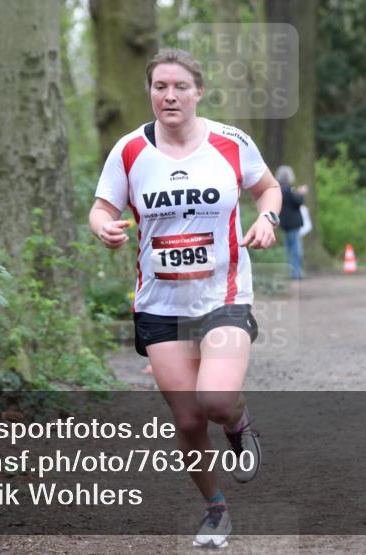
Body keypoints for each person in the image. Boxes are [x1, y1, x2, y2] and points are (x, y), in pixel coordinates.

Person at [89, 48, 281, 549]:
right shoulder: (129, 150)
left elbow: (268, 188)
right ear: (150, 92)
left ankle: (238, 423)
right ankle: (215, 509)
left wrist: (267, 218)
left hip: (224, 294)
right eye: (159, 87)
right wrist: (103, 227)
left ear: (198, 92)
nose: (169, 96)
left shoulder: (230, 142)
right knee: (188, 419)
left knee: (214, 400)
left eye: (179, 87)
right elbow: (101, 206)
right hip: (159, 305)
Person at [275, 165, 307, 280]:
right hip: (293, 223)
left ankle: (292, 271)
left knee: (289, 248)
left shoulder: (278, 189)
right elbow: (298, 201)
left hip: (285, 223)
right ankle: (296, 272)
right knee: (296, 248)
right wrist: (302, 193)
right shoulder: (288, 189)